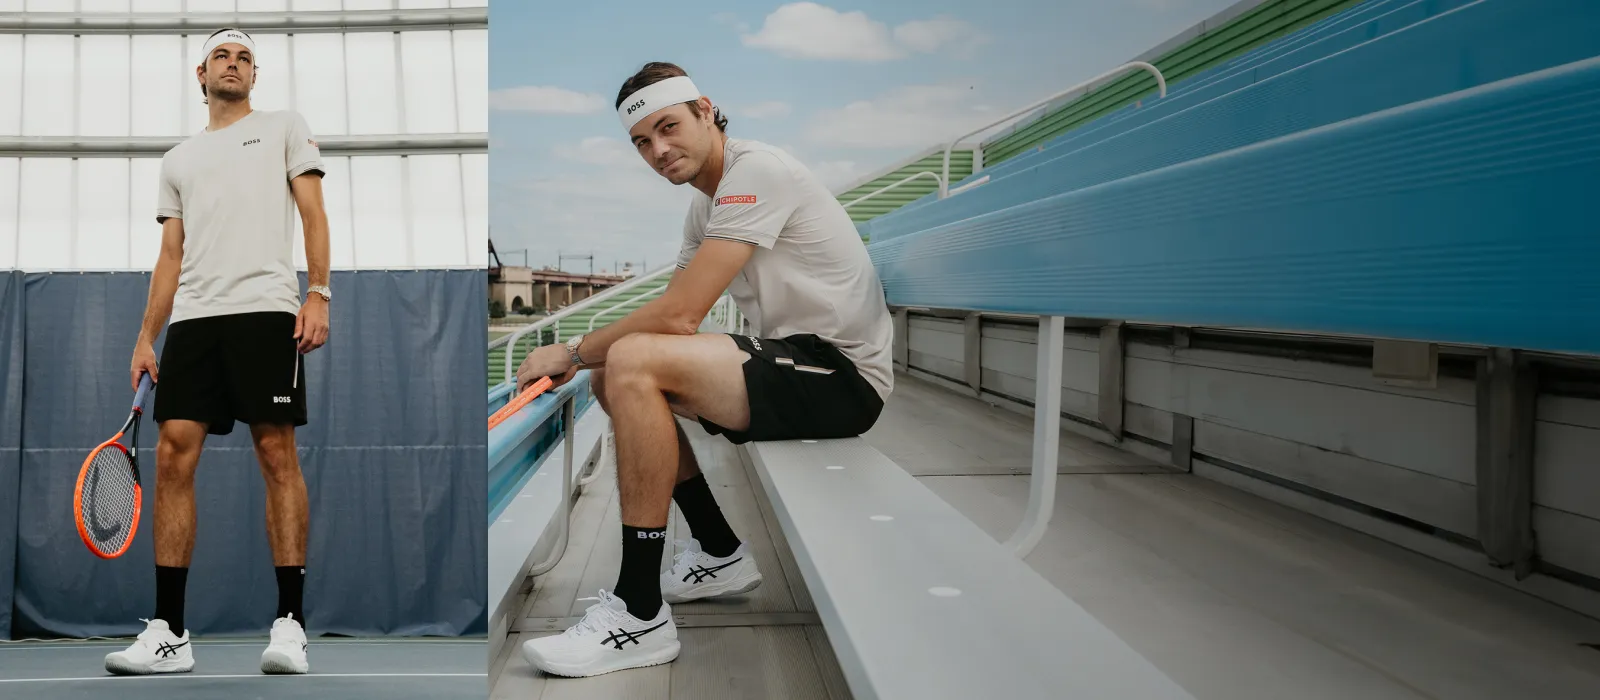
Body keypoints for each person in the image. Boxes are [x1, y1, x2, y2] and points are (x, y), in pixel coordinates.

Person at [516, 62, 894, 678]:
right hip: (795, 359)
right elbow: (671, 314)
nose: (658, 150)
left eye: (668, 127)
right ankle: (718, 549)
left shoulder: (758, 171)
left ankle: (639, 613)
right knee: (615, 372)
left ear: (705, 110)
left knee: (625, 358)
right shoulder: (704, 206)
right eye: (641, 143)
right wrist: (593, 359)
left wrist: (573, 348)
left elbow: (680, 315)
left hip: (843, 376)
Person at [105, 27, 331, 676]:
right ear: (199, 74)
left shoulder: (286, 126)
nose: (233, 65)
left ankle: (290, 624)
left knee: (275, 452)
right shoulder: (177, 160)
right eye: (222, 57)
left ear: (253, 76)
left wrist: (317, 293)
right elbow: (169, 256)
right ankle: (169, 631)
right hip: (195, 323)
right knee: (173, 454)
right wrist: (148, 337)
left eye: (244, 58)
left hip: (267, 314)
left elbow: (314, 214)